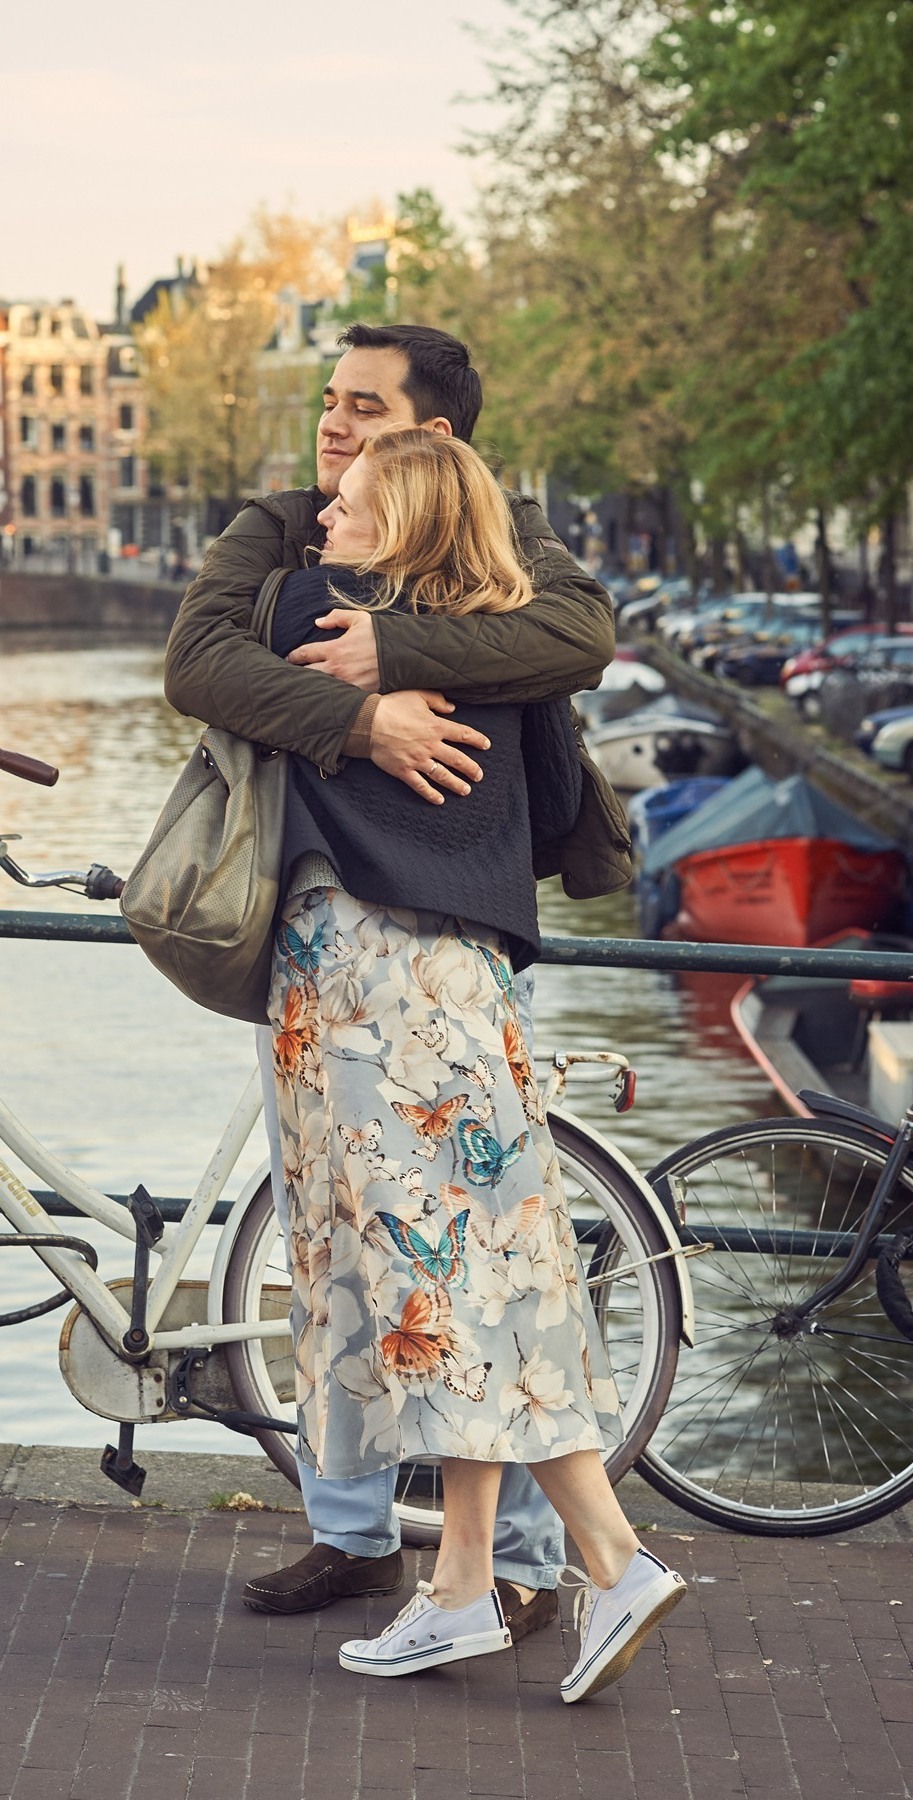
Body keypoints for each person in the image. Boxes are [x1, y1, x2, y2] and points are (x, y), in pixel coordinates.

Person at [164, 323, 632, 1641]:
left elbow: (577, 634)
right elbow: (198, 663)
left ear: (432, 437)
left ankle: (543, 1560)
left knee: (436, 1262)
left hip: (399, 945)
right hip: (357, 936)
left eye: (360, 409)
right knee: (370, 1258)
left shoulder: (492, 539)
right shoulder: (284, 528)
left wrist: (399, 653)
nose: (329, 427)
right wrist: (357, 714)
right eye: (327, 401)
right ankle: (387, 1544)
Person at [262, 428, 686, 1695]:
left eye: (346, 503)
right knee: (482, 1270)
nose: (319, 520)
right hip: (468, 983)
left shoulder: (312, 609)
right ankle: (460, 1585)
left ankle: (610, 1562)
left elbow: (209, 649)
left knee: (428, 1288)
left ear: (402, 526)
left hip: (366, 986)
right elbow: (558, 803)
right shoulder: (520, 658)